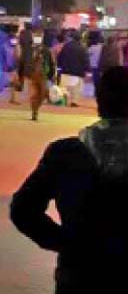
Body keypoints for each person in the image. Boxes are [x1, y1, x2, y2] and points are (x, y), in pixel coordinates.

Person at [11, 66, 128, 293]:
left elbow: (22, 210)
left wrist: (67, 242)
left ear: (99, 101)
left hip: (80, 274)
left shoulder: (66, 153)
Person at [22, 26, 56, 121]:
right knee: (33, 94)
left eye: (40, 35)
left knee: (43, 94)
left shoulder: (46, 50)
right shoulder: (28, 49)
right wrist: (21, 74)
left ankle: (36, 107)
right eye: (36, 35)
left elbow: (51, 63)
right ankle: (34, 112)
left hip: (43, 75)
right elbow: (22, 61)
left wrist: (52, 76)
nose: (38, 37)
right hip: (31, 75)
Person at [57, 30, 89, 108]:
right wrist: (87, 70)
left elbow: (60, 57)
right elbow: (85, 60)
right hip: (77, 72)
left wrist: (59, 66)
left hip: (65, 70)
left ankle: (64, 100)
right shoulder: (82, 48)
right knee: (76, 89)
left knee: (65, 87)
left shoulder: (66, 46)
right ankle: (74, 102)